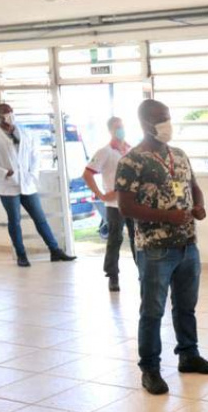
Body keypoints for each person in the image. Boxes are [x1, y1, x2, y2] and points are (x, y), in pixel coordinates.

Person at [116, 99, 208, 395]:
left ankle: (189, 354)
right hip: (155, 249)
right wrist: (167, 216)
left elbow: (193, 185)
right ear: (145, 123)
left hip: (188, 244)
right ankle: (150, 368)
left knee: (186, 306)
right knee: (152, 310)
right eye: (160, 118)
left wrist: (199, 206)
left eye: (168, 117)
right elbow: (125, 206)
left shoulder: (178, 154)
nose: (167, 123)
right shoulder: (132, 161)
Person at [0, 103, 76, 267]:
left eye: (11, 112)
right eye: (6, 113)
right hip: (7, 186)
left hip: (27, 184)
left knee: (40, 219)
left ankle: (55, 250)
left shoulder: (24, 132)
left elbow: (35, 156)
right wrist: (4, 172)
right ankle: (21, 255)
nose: (10, 115)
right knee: (14, 221)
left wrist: (32, 174)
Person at [83, 116, 136, 291]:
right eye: (116, 127)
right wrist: (101, 194)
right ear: (110, 130)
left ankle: (143, 272)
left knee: (137, 238)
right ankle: (112, 275)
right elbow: (87, 174)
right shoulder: (105, 151)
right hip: (114, 205)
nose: (120, 130)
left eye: (121, 126)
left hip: (133, 201)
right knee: (115, 238)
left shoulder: (131, 149)